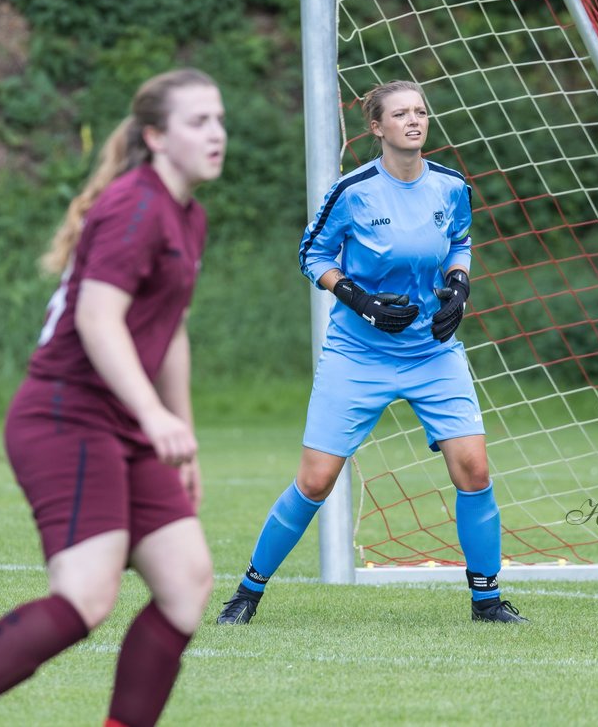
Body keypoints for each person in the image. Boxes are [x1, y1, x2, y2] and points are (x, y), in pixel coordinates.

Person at [0, 68, 227, 726]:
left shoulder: (189, 214)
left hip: (125, 422)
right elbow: (98, 321)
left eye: (219, 119)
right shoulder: (135, 205)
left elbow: (170, 327)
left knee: (185, 585)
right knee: (85, 596)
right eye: (198, 121)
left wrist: (180, 433)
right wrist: (153, 414)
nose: (216, 134)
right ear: (155, 136)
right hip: (65, 414)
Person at [216, 79, 526, 625]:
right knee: (315, 480)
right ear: (376, 127)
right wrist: (357, 297)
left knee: (473, 468)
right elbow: (312, 254)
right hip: (358, 355)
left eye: (421, 112)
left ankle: (488, 601)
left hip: (432, 351)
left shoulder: (451, 186)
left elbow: (460, 241)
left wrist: (458, 286)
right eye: (401, 113)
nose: (414, 120)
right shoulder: (354, 190)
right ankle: (246, 593)